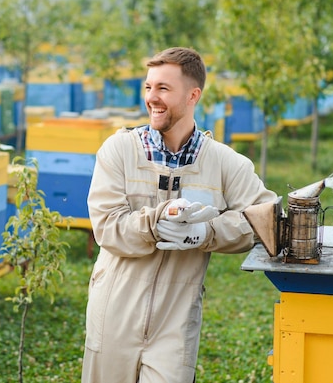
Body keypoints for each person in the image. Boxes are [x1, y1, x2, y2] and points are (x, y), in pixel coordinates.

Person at [81, 47, 277, 383]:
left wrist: (207, 233)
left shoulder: (225, 162)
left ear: (192, 95)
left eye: (163, 89)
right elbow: (108, 227)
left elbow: (266, 218)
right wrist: (156, 222)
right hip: (114, 313)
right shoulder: (119, 151)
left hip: (176, 320)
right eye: (148, 87)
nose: (152, 98)